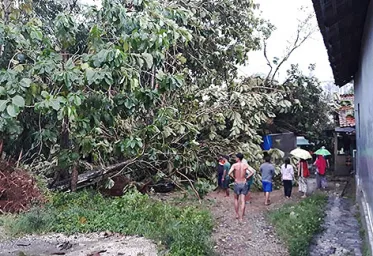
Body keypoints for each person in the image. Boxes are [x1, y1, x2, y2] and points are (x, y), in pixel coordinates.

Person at [228, 153, 254, 222]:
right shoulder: (245, 165)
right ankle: (241, 217)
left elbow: (229, 173)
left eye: (236, 157)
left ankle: (237, 214)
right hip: (243, 183)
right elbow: (252, 172)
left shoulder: (234, 165)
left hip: (237, 183)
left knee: (236, 199)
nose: (235, 158)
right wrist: (246, 178)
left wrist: (234, 178)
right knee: (243, 200)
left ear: (238, 158)